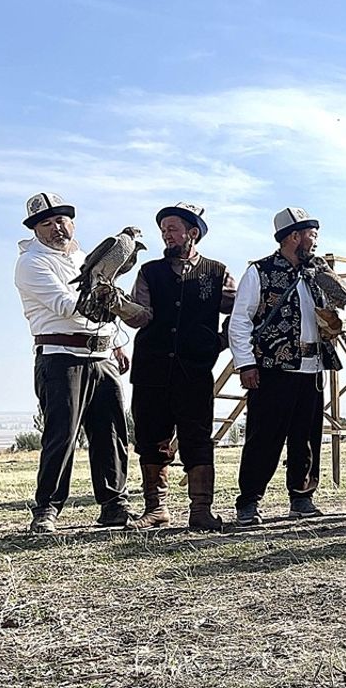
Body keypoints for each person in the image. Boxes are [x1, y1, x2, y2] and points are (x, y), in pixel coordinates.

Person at [14, 192, 131, 533]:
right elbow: (67, 306)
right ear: (35, 230)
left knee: (111, 432)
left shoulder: (83, 256)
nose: (56, 228)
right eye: (46, 223)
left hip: (101, 354)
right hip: (61, 357)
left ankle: (114, 505)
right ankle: (47, 509)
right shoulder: (31, 262)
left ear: (72, 222)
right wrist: (122, 306)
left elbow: (102, 307)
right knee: (61, 435)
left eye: (61, 220)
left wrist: (116, 342)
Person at [114, 203, 233, 531]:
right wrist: (119, 306)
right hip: (151, 369)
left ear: (193, 233)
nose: (166, 234)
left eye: (173, 228)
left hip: (195, 371)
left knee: (197, 439)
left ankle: (201, 511)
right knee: (152, 439)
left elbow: (240, 309)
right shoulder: (149, 271)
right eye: (163, 229)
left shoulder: (217, 271)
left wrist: (220, 342)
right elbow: (141, 316)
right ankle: (156, 509)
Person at [228, 207, 342, 525]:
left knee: (306, 437)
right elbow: (239, 321)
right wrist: (245, 364)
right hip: (272, 368)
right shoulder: (259, 271)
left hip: (312, 366)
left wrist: (332, 324)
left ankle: (302, 498)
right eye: (311, 235)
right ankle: (249, 502)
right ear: (294, 237)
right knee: (264, 438)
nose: (315, 241)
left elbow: (325, 315)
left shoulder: (315, 273)